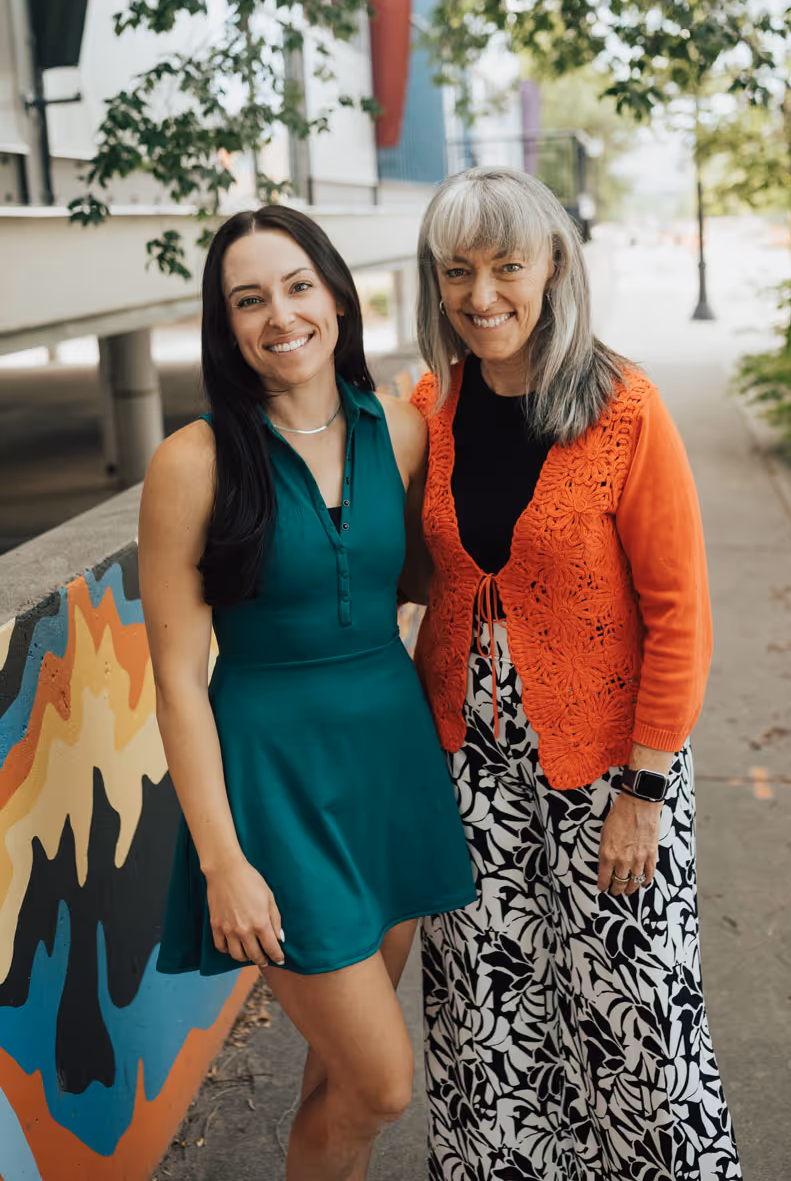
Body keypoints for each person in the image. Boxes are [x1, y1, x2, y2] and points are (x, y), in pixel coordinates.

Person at [408, 166, 741, 1181]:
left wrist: (644, 790)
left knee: (636, 1017)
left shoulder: (624, 409)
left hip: (609, 768)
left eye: (505, 266)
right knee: (487, 1022)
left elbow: (680, 615)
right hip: (465, 773)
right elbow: (411, 571)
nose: (481, 294)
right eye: (457, 270)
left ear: (552, 267)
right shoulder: (430, 405)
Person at [139, 205, 476, 1180]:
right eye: (249, 300)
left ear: (336, 295)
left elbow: (429, 580)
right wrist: (222, 862)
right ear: (225, 325)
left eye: (296, 287)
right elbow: (177, 681)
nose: (280, 316)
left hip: (392, 775)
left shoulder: (402, 432)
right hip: (275, 791)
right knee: (382, 1083)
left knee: (340, 1087)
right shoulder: (193, 463)